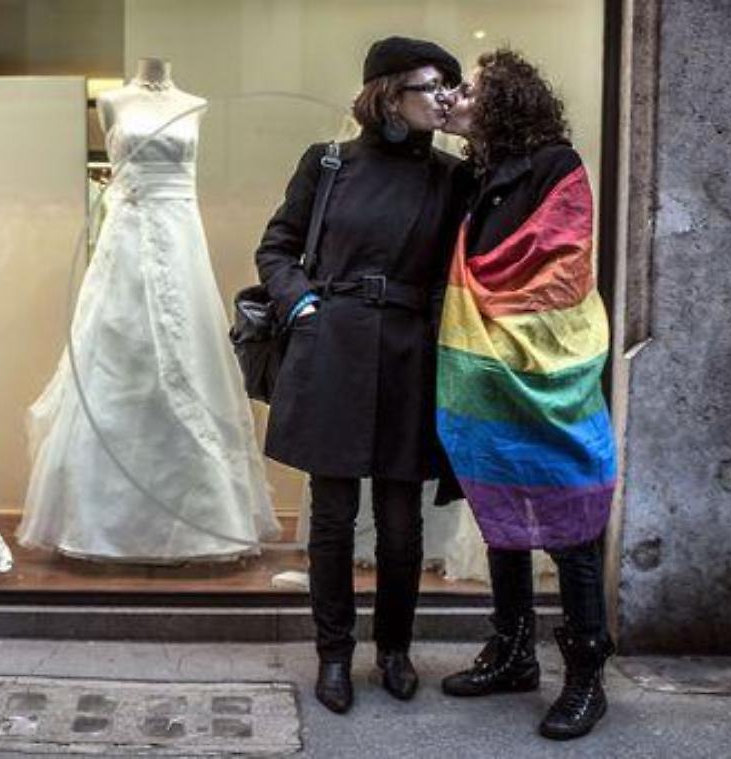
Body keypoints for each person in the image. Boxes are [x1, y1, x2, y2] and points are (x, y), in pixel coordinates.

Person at [255, 36, 466, 712]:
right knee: (334, 515)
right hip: (333, 343)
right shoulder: (328, 163)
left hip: (410, 350)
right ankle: (335, 655)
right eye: (431, 86)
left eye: (448, 88)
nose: (443, 98)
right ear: (388, 93)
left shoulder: (451, 176)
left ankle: (396, 649)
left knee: (401, 522)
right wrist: (303, 303)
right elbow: (278, 246)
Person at [436, 49, 618, 740]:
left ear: (506, 101)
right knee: (501, 512)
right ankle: (512, 651)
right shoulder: (472, 173)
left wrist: (501, 321)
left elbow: (558, 263)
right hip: (485, 381)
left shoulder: (555, 164)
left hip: (547, 374)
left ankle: (586, 675)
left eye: (472, 90)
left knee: (571, 525)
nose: (458, 96)